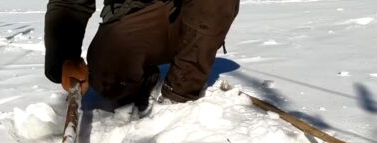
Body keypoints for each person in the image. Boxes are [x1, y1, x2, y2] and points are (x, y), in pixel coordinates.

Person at [44, 0, 240, 110]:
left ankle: (179, 95)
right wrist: (64, 59)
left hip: (188, 23)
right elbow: (69, 4)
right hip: (134, 23)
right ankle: (139, 80)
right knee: (107, 77)